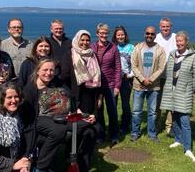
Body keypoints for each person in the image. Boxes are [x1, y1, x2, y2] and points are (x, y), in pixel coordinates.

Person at [22, 59, 73, 172]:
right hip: (41, 120)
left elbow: (70, 96)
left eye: (51, 70)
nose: (49, 73)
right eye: (45, 70)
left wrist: (77, 112)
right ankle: (41, 166)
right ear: (37, 71)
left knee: (89, 128)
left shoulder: (57, 82)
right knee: (59, 130)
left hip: (65, 117)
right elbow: (28, 116)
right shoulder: (30, 89)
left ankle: (75, 162)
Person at [65, 29, 102, 172]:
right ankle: (71, 161)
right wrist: (75, 107)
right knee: (79, 132)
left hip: (91, 98)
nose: (85, 42)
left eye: (87, 40)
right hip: (75, 100)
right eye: (82, 39)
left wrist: (95, 108)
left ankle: (85, 162)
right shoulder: (70, 55)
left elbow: (98, 80)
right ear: (77, 40)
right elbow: (65, 80)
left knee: (92, 129)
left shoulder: (93, 55)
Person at [160, 31, 195, 162]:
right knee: (174, 117)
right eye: (177, 41)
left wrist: (190, 89)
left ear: (186, 42)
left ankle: (188, 148)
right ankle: (178, 139)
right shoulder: (172, 55)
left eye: (181, 41)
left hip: (184, 93)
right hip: (171, 92)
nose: (179, 43)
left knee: (184, 121)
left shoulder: (193, 57)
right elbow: (169, 72)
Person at [130, 26, 166, 142]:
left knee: (152, 112)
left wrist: (150, 80)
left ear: (155, 36)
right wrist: (142, 79)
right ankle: (135, 133)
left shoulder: (160, 50)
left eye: (152, 34)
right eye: (147, 33)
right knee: (136, 111)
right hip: (139, 85)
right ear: (144, 34)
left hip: (153, 86)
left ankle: (152, 134)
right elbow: (134, 65)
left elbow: (161, 68)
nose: (149, 36)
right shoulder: (138, 48)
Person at [90, 23, 122, 146]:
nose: (104, 35)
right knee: (99, 110)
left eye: (106, 33)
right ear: (97, 34)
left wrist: (117, 86)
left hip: (110, 84)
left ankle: (114, 135)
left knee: (112, 110)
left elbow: (118, 68)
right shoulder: (92, 47)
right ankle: (101, 135)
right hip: (96, 84)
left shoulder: (113, 47)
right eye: (101, 33)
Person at [154, 17, 177, 136]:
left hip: (172, 75)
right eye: (163, 26)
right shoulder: (156, 37)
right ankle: (156, 125)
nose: (165, 28)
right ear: (160, 27)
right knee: (156, 101)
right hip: (157, 75)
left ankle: (169, 126)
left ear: (171, 26)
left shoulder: (175, 37)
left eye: (167, 26)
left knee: (170, 101)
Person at [112, 25, 135, 134]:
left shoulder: (131, 47)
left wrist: (130, 75)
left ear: (125, 36)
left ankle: (125, 125)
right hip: (114, 80)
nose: (120, 36)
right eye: (118, 35)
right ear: (115, 36)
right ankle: (114, 125)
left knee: (125, 103)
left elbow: (136, 64)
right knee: (113, 103)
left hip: (126, 80)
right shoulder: (112, 46)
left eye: (122, 34)